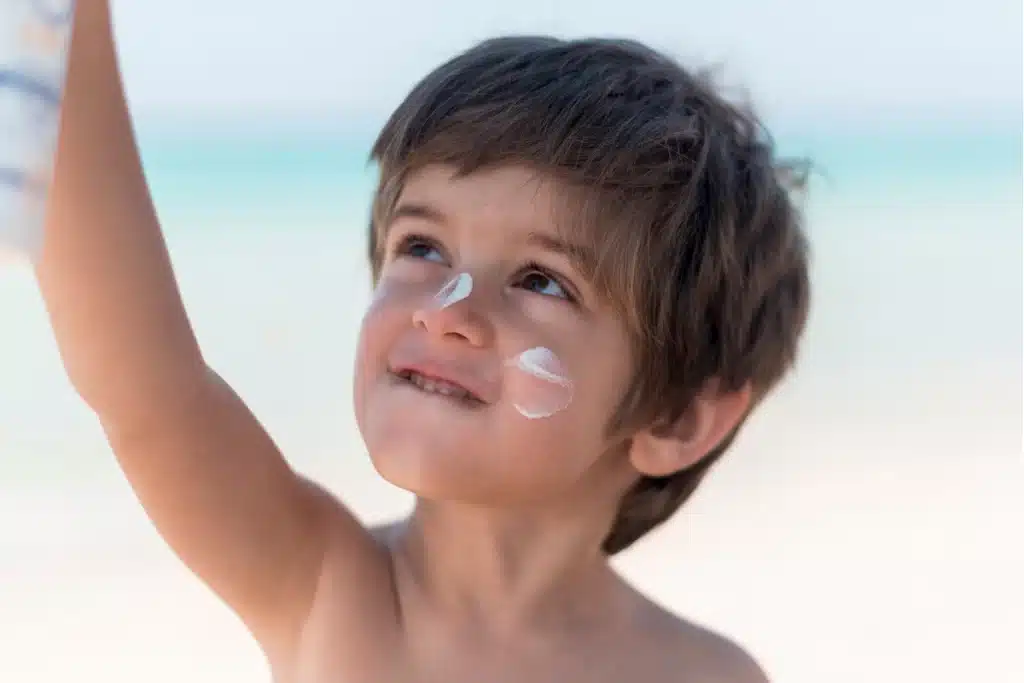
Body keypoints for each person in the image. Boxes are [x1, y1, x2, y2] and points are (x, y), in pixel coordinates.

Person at [38, 1, 810, 681]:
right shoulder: (324, 589)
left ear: (675, 417)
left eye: (541, 280)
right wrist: (67, 27)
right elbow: (146, 388)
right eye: (423, 249)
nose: (447, 310)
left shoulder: (707, 675)